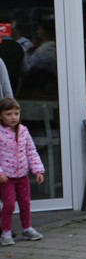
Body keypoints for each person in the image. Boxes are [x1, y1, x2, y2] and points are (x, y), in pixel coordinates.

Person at [0, 97, 45, 246]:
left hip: (22, 175)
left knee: (25, 203)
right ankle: (6, 232)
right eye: (9, 114)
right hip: (6, 177)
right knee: (9, 205)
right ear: (1, 115)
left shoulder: (23, 131)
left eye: (16, 113)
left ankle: (27, 228)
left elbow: (31, 151)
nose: (13, 117)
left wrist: (37, 170)